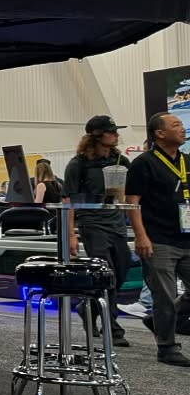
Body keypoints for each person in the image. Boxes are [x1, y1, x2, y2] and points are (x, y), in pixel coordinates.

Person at [126, 112, 190, 366]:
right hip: (158, 239)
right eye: (176, 125)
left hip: (186, 237)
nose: (182, 128)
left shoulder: (187, 160)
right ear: (159, 133)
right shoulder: (144, 163)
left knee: (172, 298)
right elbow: (132, 203)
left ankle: (157, 321)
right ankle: (167, 347)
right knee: (163, 295)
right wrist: (141, 237)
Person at [64, 115, 132, 348]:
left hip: (117, 223)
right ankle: (112, 325)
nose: (115, 135)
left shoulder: (121, 160)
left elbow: (130, 194)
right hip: (92, 224)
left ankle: (87, 306)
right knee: (107, 274)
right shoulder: (79, 163)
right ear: (96, 135)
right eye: (110, 131)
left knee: (121, 271)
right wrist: (71, 233)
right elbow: (68, 199)